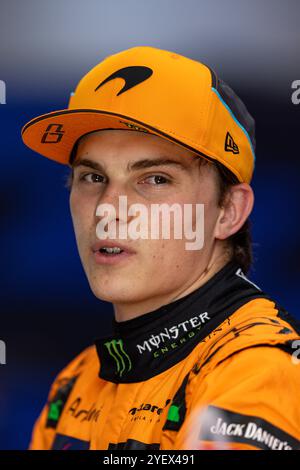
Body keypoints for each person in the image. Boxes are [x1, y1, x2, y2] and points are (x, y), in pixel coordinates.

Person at [21, 46, 300, 450]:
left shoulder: (259, 369)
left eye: (154, 179)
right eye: (93, 177)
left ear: (228, 211)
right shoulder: (78, 380)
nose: (107, 211)